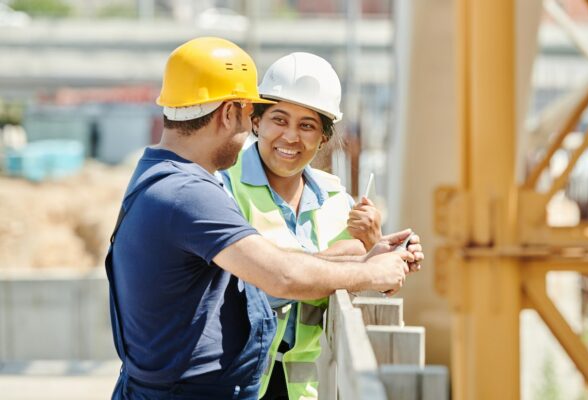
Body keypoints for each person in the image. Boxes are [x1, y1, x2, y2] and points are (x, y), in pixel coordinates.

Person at [107, 37, 416, 400]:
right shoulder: (189, 193)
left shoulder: (167, 179)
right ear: (229, 113)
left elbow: (271, 270)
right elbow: (279, 276)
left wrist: (365, 253)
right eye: (255, 115)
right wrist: (371, 272)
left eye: (307, 126)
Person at [218, 52, 423, 400]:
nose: (291, 137)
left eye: (307, 125)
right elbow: (258, 280)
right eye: (279, 119)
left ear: (324, 137)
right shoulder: (224, 187)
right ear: (257, 122)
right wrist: (342, 259)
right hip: (230, 384)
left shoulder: (336, 200)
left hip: (300, 390)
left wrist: (379, 249)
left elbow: (359, 283)